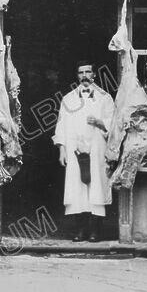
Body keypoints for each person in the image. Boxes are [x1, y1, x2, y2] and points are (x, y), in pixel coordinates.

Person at [53, 62, 115, 242]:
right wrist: (62, 150)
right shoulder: (68, 99)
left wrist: (99, 122)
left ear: (94, 74)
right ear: (77, 76)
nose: (85, 75)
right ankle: (80, 231)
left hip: (97, 149)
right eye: (81, 72)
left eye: (88, 72)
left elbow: (114, 125)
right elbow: (61, 126)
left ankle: (95, 231)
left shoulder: (105, 98)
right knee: (76, 189)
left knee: (96, 188)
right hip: (75, 150)